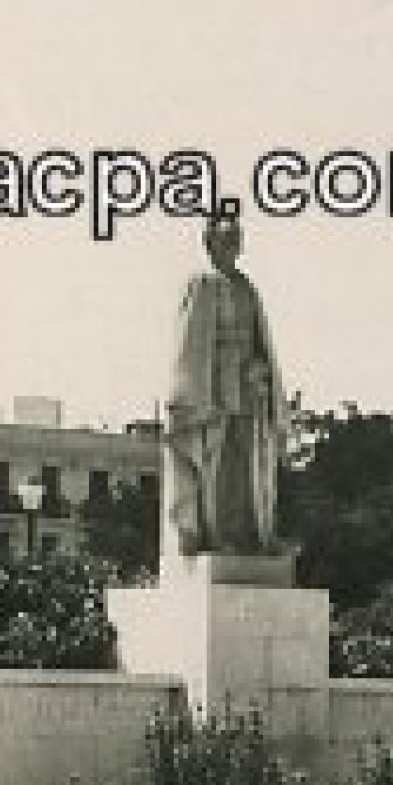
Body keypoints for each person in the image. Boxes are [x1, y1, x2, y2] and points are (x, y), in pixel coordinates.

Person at [162, 210, 286, 557]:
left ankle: (250, 534)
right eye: (226, 237)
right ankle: (215, 534)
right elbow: (189, 344)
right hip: (212, 389)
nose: (234, 244)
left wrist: (261, 371)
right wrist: (190, 394)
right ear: (210, 243)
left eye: (237, 238)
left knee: (249, 463)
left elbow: (261, 341)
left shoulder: (248, 288)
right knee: (215, 462)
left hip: (249, 389)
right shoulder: (201, 283)